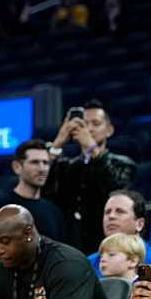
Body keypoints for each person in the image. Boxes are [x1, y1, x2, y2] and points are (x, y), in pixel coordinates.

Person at [45, 100, 137, 252]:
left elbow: (116, 188)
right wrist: (58, 142)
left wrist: (92, 148)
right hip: (72, 245)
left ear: (109, 130)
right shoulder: (68, 166)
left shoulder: (123, 164)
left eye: (96, 123)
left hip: (110, 245)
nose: (88, 129)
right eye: (84, 124)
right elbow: (44, 191)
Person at [0, 139, 65, 241]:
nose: (42, 169)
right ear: (17, 167)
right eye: (35, 162)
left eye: (45, 163)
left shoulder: (54, 212)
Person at [86, 190, 151, 277]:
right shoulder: (90, 262)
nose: (111, 216)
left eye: (120, 211)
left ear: (140, 224)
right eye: (107, 212)